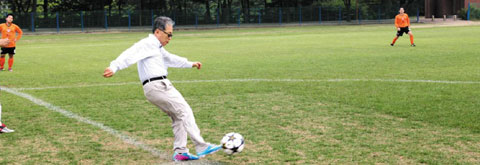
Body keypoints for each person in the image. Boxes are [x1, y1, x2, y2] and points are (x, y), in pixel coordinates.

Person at [103, 16, 221, 161]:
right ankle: (201, 146)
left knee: (179, 117)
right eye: (169, 34)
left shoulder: (157, 48)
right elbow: (129, 54)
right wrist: (114, 66)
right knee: (185, 111)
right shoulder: (147, 44)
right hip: (158, 86)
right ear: (158, 32)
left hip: (157, 86)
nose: (170, 38)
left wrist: (190, 63)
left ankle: (180, 152)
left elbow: (170, 59)